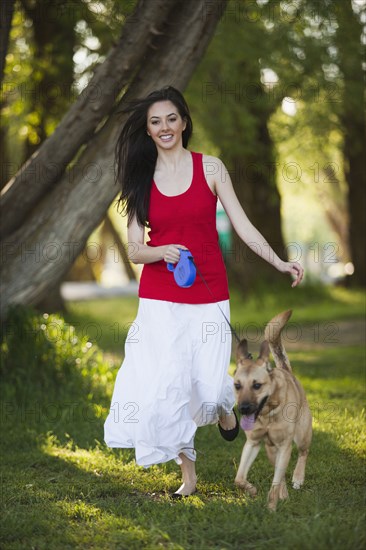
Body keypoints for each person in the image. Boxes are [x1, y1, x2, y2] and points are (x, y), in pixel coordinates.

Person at [104, 86, 303, 497]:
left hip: (208, 293)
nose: (164, 128)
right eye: (155, 121)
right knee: (171, 384)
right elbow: (136, 248)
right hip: (160, 297)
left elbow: (243, 225)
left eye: (171, 119)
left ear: (184, 122)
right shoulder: (140, 180)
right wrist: (163, 250)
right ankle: (189, 478)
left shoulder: (211, 168)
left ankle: (224, 413)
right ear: (147, 129)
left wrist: (280, 262)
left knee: (211, 386)